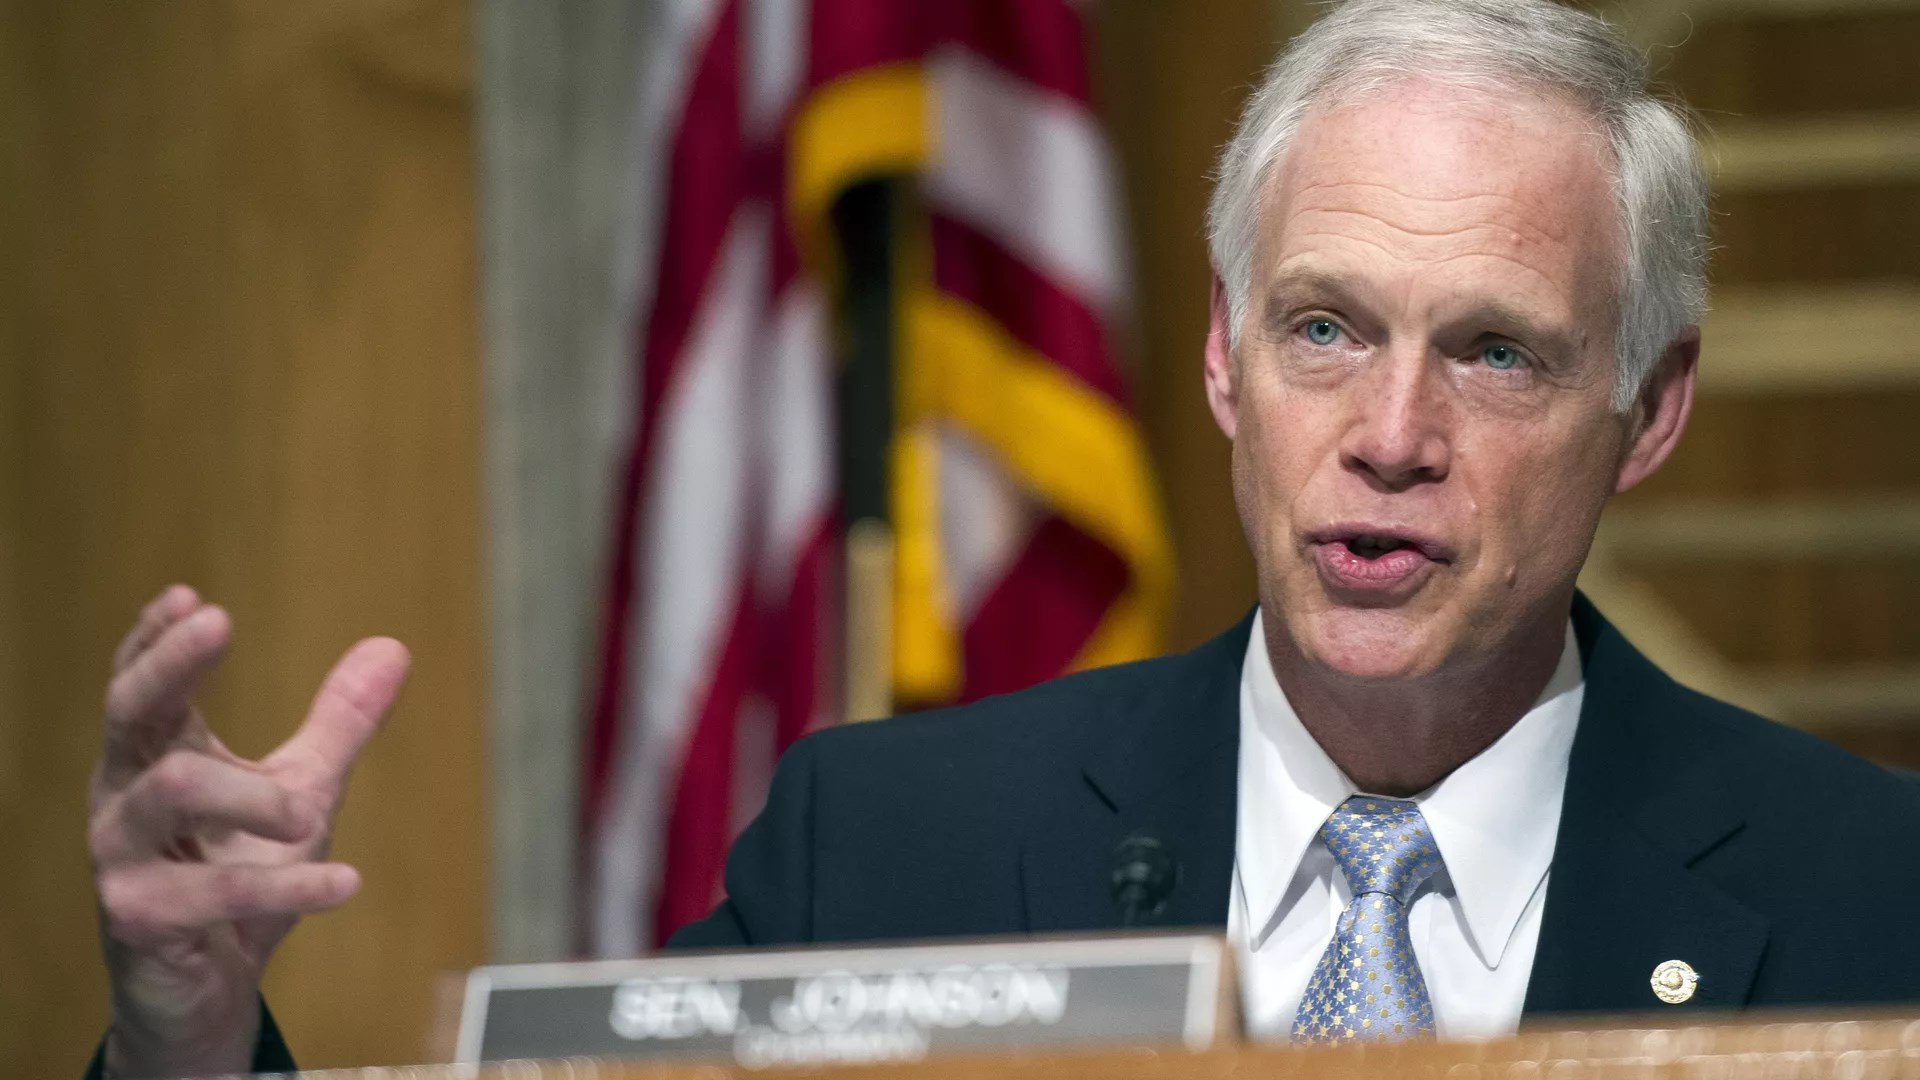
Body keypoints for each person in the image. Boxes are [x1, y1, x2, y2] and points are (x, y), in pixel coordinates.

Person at [86, 0, 1920, 1075]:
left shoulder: (1875, 899)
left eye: (1496, 353)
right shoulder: (886, 855)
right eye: (1325, 327)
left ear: (1649, 409)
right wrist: (191, 1037)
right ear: (1223, 358)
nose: (1389, 435)